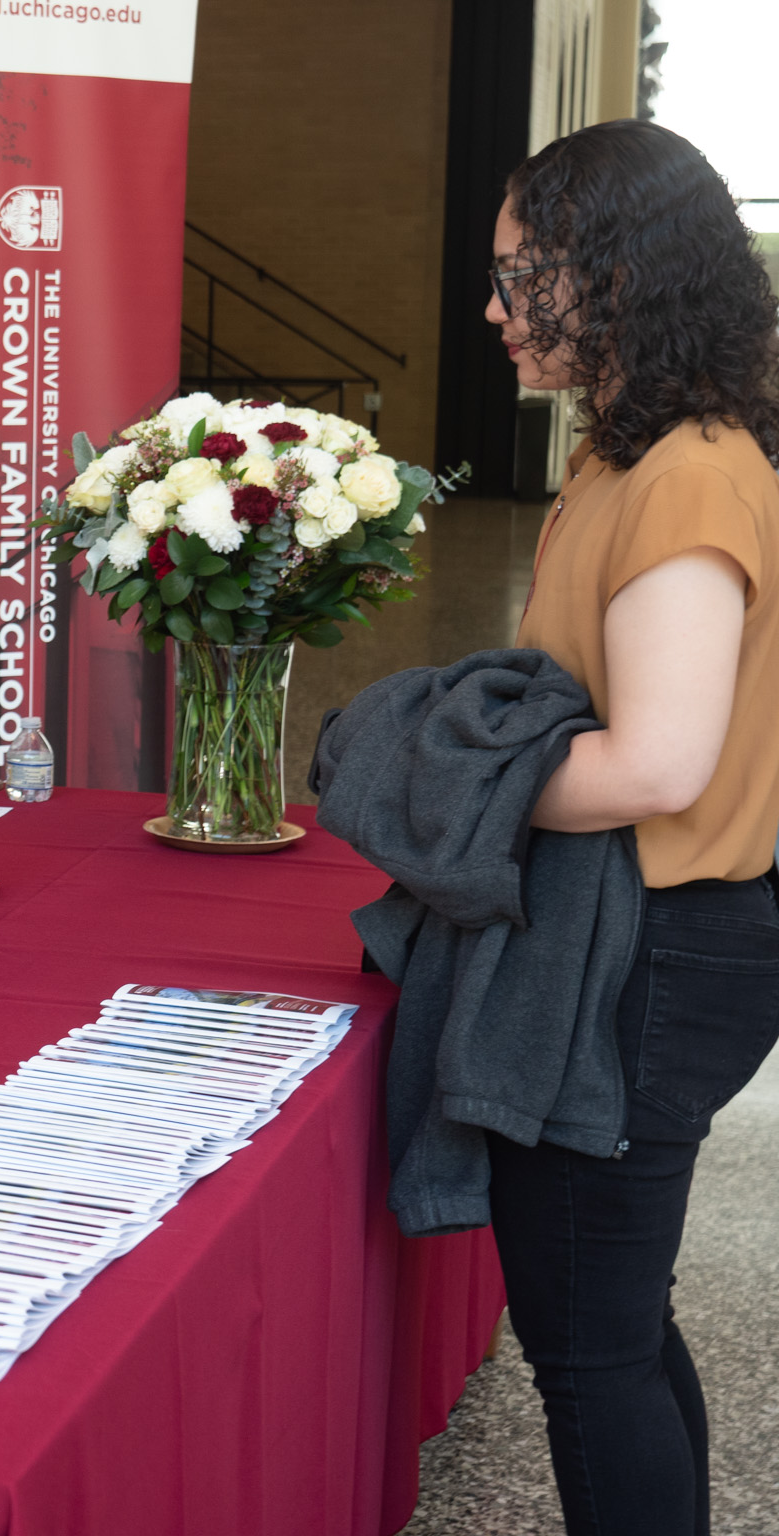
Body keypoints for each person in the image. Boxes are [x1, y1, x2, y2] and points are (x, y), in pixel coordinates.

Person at [483, 120, 779, 1536]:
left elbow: (657, 763)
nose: (492, 309)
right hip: (632, 937)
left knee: (589, 1346)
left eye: (516, 275)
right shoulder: (622, 453)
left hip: (658, 949)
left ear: (610, 277)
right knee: (616, 1322)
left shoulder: (691, 475)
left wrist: (448, 783)